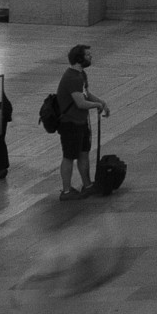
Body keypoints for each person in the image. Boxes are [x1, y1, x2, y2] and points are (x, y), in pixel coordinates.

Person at [54, 43, 108, 201]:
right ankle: (66, 191)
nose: (90, 57)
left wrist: (101, 102)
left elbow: (86, 94)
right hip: (70, 124)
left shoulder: (81, 75)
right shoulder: (71, 78)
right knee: (69, 156)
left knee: (83, 153)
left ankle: (87, 185)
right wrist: (97, 105)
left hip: (81, 122)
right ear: (79, 58)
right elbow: (80, 102)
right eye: (87, 55)